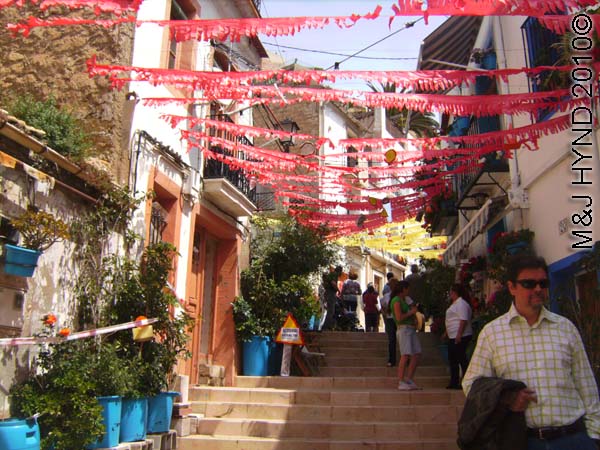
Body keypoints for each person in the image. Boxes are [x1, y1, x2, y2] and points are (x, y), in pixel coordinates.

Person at [462, 254, 600, 449]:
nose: (538, 289)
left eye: (543, 283)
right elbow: (471, 384)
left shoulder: (565, 328)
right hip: (523, 441)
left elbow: (586, 384)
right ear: (512, 287)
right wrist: (507, 400)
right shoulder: (492, 333)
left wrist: (594, 437)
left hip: (572, 439)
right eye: (529, 283)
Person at [391, 280, 422, 391]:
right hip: (403, 329)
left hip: (410, 329)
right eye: (407, 289)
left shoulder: (405, 300)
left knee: (417, 353)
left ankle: (408, 379)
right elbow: (399, 317)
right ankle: (400, 380)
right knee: (405, 355)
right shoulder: (396, 300)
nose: (408, 291)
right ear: (403, 289)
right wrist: (411, 313)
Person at [444, 283, 473, 389]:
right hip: (453, 335)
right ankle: (454, 381)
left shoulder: (461, 304)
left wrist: (459, 334)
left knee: (460, 358)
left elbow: (463, 319)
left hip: (461, 335)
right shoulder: (455, 304)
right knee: (453, 359)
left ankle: (464, 381)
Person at [380, 273, 397, 366]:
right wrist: (385, 313)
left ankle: (395, 359)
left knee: (396, 339)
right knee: (392, 339)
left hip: (398, 320)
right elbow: (382, 306)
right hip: (391, 319)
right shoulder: (387, 296)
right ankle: (392, 359)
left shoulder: (402, 296)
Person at [321, 266, 342, 331]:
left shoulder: (331, 274)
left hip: (327, 293)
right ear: (339, 271)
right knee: (331, 311)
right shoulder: (334, 274)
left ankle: (328, 326)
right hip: (331, 293)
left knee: (330, 311)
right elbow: (333, 283)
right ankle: (325, 327)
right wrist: (338, 290)